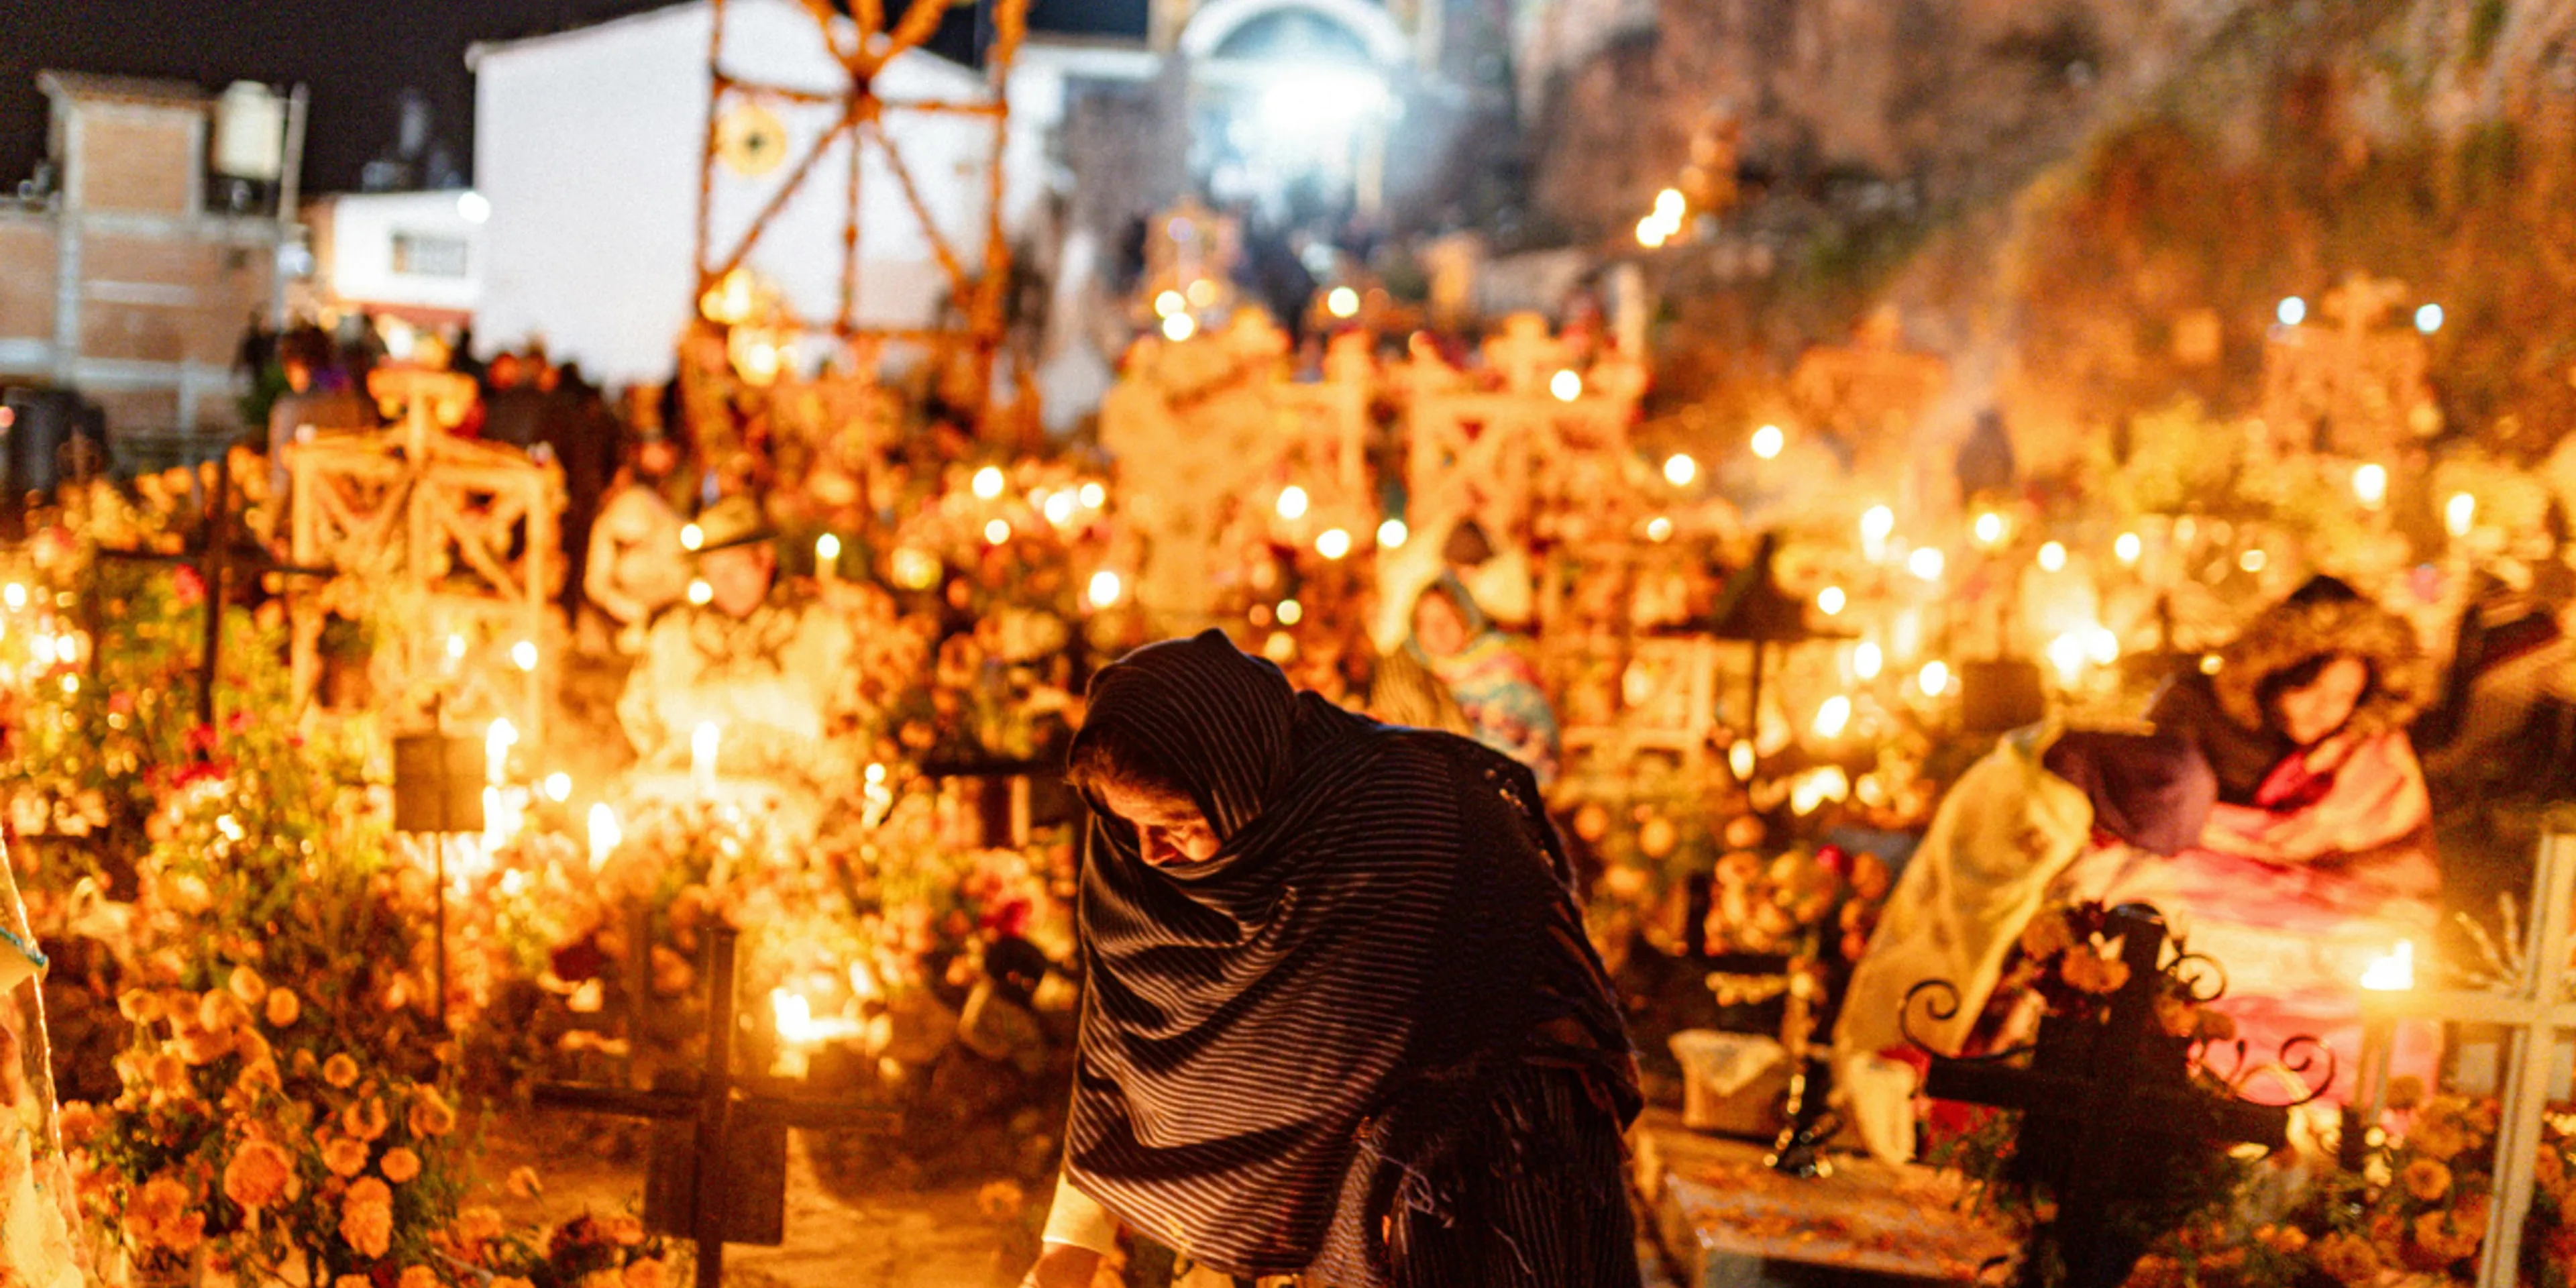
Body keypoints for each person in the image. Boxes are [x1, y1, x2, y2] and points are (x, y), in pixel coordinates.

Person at [1022, 631, 1638, 1288]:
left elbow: (1327, 1068)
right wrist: (1070, 1245)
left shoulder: (1405, 829)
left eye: (1176, 824)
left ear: (1240, 783)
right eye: (1128, 827)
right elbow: (1121, 1046)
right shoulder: (1140, 861)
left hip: (1480, 1178)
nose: (1151, 854)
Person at [1398, 576, 1562, 788]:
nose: (1437, 630)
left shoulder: (1507, 666)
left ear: (1467, 616)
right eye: (1425, 623)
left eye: (1447, 618)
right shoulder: (1415, 682)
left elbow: (1539, 748)